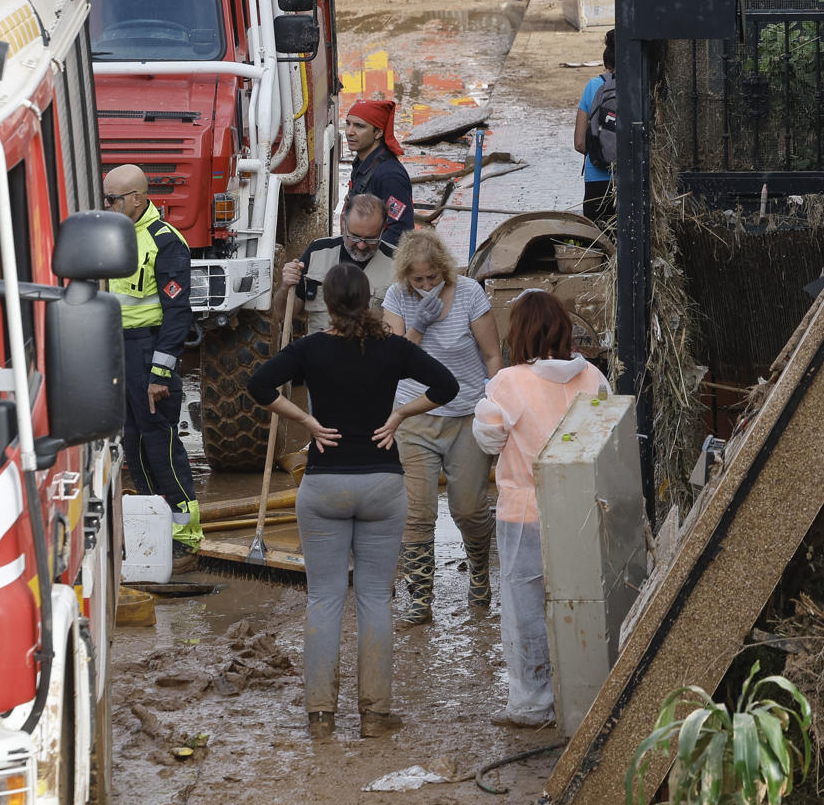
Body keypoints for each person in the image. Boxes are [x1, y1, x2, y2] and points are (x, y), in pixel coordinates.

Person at [246, 262, 461, 741]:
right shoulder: (393, 347)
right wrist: (401, 413)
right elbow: (447, 387)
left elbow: (258, 386)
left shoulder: (310, 348)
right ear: (369, 300)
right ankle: (376, 715)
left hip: (324, 484)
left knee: (324, 600)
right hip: (383, 484)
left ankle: (320, 716)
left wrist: (305, 420)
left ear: (328, 303)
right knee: (374, 601)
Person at [473, 291, 609, 727]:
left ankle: (532, 704)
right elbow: (607, 434)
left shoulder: (508, 383)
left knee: (526, 609)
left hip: (525, 512)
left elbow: (488, 439)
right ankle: (589, 694)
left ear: (520, 333)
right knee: (583, 601)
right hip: (584, 510)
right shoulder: (593, 376)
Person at [381, 228, 502, 625]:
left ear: (444, 271)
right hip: (413, 417)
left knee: (469, 508)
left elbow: (492, 354)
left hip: (466, 414)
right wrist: (419, 324)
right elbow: (395, 359)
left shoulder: (468, 293)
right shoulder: (397, 297)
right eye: (418, 280)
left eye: (433, 278)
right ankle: (420, 598)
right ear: (405, 277)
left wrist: (495, 400)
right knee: (416, 512)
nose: (426, 286)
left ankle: (480, 572)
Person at [103, 164, 203, 567]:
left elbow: (177, 315)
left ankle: (186, 536)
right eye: (105, 197)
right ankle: (152, 530)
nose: (106, 205)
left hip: (147, 353)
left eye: (113, 199)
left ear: (138, 198)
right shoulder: (110, 234)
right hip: (117, 351)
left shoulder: (165, 242)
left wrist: (160, 374)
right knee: (133, 444)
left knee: (160, 446)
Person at [277, 194, 397, 336]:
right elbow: (282, 314)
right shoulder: (317, 252)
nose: (361, 245)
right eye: (354, 236)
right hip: (319, 354)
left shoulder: (397, 263)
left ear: (384, 228)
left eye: (371, 239)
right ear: (342, 222)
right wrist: (285, 287)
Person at [345, 99, 415, 244]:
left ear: (378, 132)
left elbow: (401, 230)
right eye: (348, 123)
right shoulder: (361, 163)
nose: (349, 132)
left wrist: (370, 259)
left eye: (359, 126)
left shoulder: (390, 176)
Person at [574, 29, 616, 225]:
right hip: (628, 180)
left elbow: (580, 143)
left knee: (596, 244)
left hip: (596, 180)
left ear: (606, 64)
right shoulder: (638, 86)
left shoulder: (593, 86)